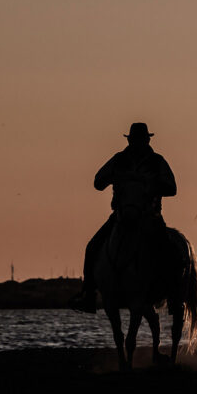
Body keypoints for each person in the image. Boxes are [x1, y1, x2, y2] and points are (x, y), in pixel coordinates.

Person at [69, 122, 177, 313]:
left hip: (149, 217)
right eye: (135, 140)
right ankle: (89, 294)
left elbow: (172, 188)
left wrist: (151, 184)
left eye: (140, 140)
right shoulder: (118, 160)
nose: (137, 143)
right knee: (93, 246)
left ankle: (174, 292)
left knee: (169, 250)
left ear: (147, 140)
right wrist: (115, 177)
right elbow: (98, 182)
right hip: (120, 215)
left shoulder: (157, 161)